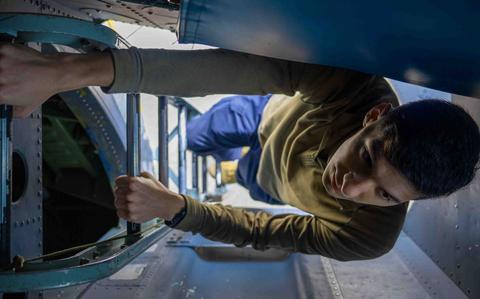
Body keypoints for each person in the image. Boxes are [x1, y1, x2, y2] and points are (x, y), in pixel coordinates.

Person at [0, 44, 478, 261]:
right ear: (374, 117)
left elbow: (264, 230)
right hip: (265, 116)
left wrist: (180, 209)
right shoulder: (357, 87)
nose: (351, 187)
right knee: (195, 137)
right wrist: (68, 70)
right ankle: (220, 153)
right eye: (368, 159)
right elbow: (243, 68)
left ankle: (238, 170)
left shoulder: (368, 239)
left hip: (269, 181)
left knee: (248, 179)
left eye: (384, 196)